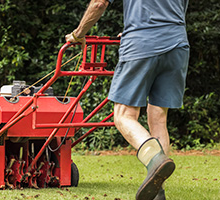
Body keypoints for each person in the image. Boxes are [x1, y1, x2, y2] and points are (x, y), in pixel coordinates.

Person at [65, 0, 190, 199]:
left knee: (123, 116)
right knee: (158, 117)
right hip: (178, 45)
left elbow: (99, 3)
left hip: (142, 43)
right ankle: (158, 192)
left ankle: (155, 159)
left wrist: (78, 34)